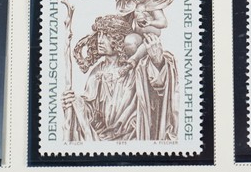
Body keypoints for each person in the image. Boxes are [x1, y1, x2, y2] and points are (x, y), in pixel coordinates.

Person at [62, 14, 178, 142]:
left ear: (119, 39)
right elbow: (90, 112)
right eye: (99, 34)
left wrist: (157, 62)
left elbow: (158, 88)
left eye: (107, 35)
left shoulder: (137, 68)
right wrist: (73, 102)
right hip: (105, 140)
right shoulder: (97, 72)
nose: (100, 40)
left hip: (134, 138)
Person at [112, 0, 179, 65]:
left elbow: (164, 23)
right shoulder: (134, 4)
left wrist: (150, 22)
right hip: (138, 35)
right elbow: (122, 5)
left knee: (146, 45)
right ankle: (131, 63)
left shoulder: (153, 6)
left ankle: (134, 61)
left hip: (151, 37)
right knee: (129, 42)